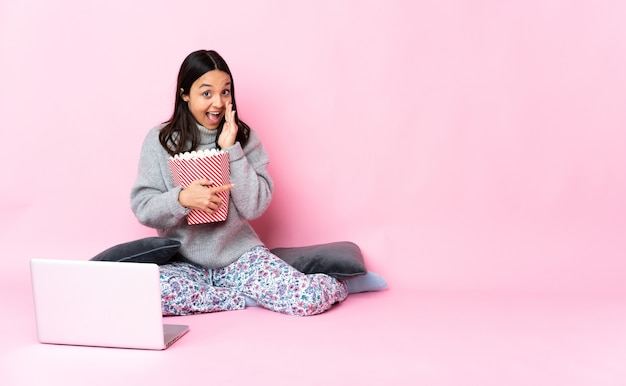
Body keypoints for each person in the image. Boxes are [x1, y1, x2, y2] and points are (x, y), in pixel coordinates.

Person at [131, 50, 385, 317]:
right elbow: (143, 208)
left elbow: (255, 207)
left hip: (240, 258)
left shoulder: (244, 136)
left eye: (225, 92)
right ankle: (246, 298)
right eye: (206, 93)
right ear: (185, 94)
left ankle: (343, 284)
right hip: (183, 264)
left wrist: (231, 151)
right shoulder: (159, 141)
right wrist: (181, 199)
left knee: (306, 299)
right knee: (144, 296)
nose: (218, 103)